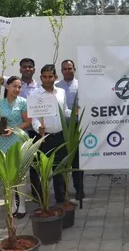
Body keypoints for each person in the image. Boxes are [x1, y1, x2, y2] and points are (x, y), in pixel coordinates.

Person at [31, 64, 72, 204]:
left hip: (60, 136)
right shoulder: (34, 94)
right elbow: (34, 118)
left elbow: (65, 110)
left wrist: (75, 113)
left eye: (50, 76)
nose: (47, 79)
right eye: (44, 77)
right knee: (43, 170)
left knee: (60, 168)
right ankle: (43, 200)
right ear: (41, 77)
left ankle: (61, 198)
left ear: (55, 77)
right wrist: (38, 128)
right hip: (44, 137)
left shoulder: (60, 92)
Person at [0, 76, 31, 218]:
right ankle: (12, 205)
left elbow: (27, 122)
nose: (17, 89)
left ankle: (21, 205)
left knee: (21, 175)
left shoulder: (23, 102)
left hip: (19, 140)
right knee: (7, 174)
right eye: (14, 86)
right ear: (7, 86)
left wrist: (14, 129)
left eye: (19, 87)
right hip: (3, 142)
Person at [55, 59, 85, 200]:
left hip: (76, 127)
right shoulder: (56, 86)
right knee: (61, 158)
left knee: (77, 160)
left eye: (70, 68)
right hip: (61, 127)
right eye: (65, 69)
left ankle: (79, 189)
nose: (67, 71)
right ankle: (62, 191)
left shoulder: (81, 85)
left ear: (74, 69)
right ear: (61, 71)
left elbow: (84, 105)